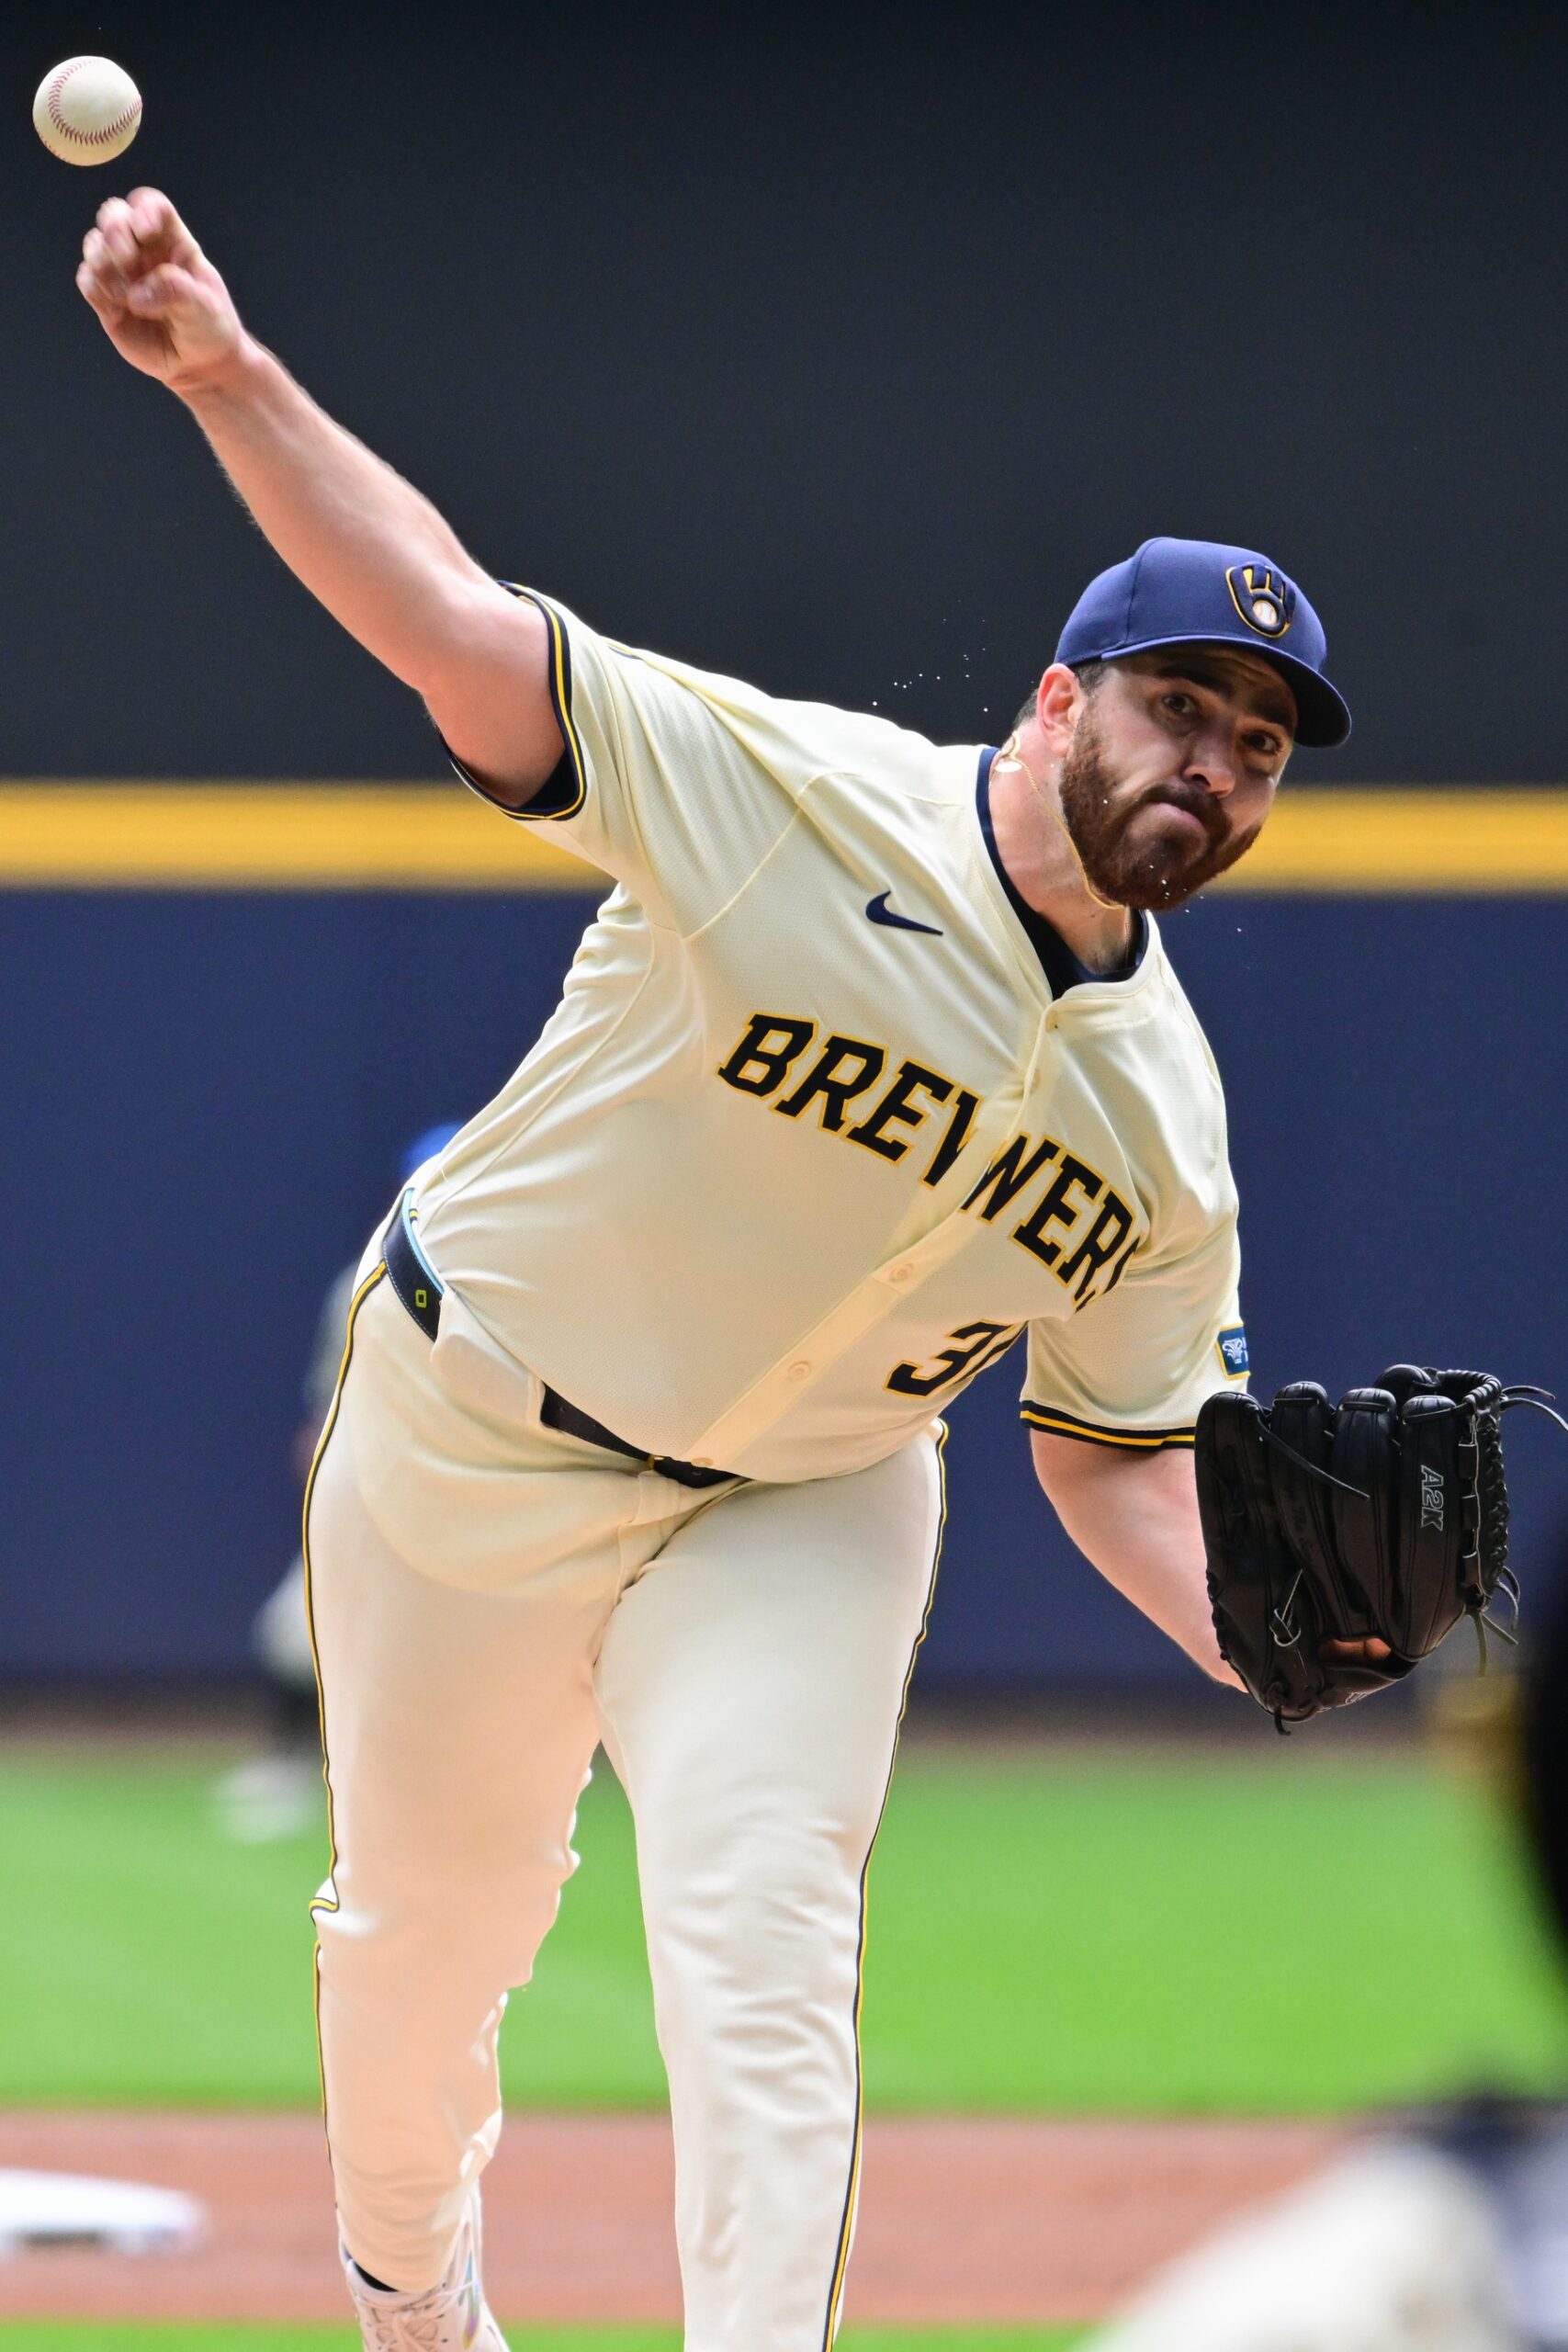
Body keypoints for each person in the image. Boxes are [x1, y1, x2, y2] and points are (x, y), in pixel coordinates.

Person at [75, 187, 1386, 2352]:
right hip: (475, 1423)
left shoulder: (1163, 1118)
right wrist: (225, 372)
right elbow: (449, 628)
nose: (1215, 762)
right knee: (425, 1942)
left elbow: (1112, 1447)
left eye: (1256, 742)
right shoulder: (795, 797)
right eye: (1181, 702)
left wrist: (1266, 1643)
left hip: (805, 1495)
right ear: (1061, 697)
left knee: (764, 1950)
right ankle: (416, 2308)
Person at [216, 1124, 462, 1843]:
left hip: (467, 1494)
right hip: (374, 1480)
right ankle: (288, 1769)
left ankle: (430, 1790)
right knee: (296, 1628)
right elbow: (327, 1405)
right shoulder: (365, 1278)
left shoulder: (516, 1278)